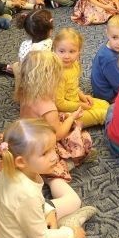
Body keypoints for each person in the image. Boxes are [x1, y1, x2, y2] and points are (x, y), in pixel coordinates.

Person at [0, 119, 94, 238]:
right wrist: (70, 233)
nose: (54, 156)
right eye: (45, 153)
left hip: (29, 221)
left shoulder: (16, 171)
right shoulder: (26, 194)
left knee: (74, 201)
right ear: (21, 161)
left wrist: (48, 210)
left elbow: (35, 201)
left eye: (53, 148)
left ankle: (53, 181)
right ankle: (68, 223)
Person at [15, 51, 94, 181]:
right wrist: (72, 117)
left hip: (27, 133)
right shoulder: (47, 105)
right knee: (80, 134)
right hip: (41, 142)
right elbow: (59, 134)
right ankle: (66, 163)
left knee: (63, 117)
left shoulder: (26, 91)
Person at [53, 28, 109, 127]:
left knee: (105, 104)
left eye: (72, 51)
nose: (66, 56)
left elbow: (73, 87)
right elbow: (59, 104)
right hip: (62, 112)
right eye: (61, 51)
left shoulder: (75, 64)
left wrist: (83, 96)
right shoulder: (58, 74)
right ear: (54, 50)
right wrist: (80, 105)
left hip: (74, 102)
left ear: (79, 51)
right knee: (104, 114)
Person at [90, 14, 119, 102]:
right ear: (107, 33)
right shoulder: (110, 58)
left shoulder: (110, 46)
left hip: (110, 86)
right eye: (115, 37)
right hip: (108, 96)